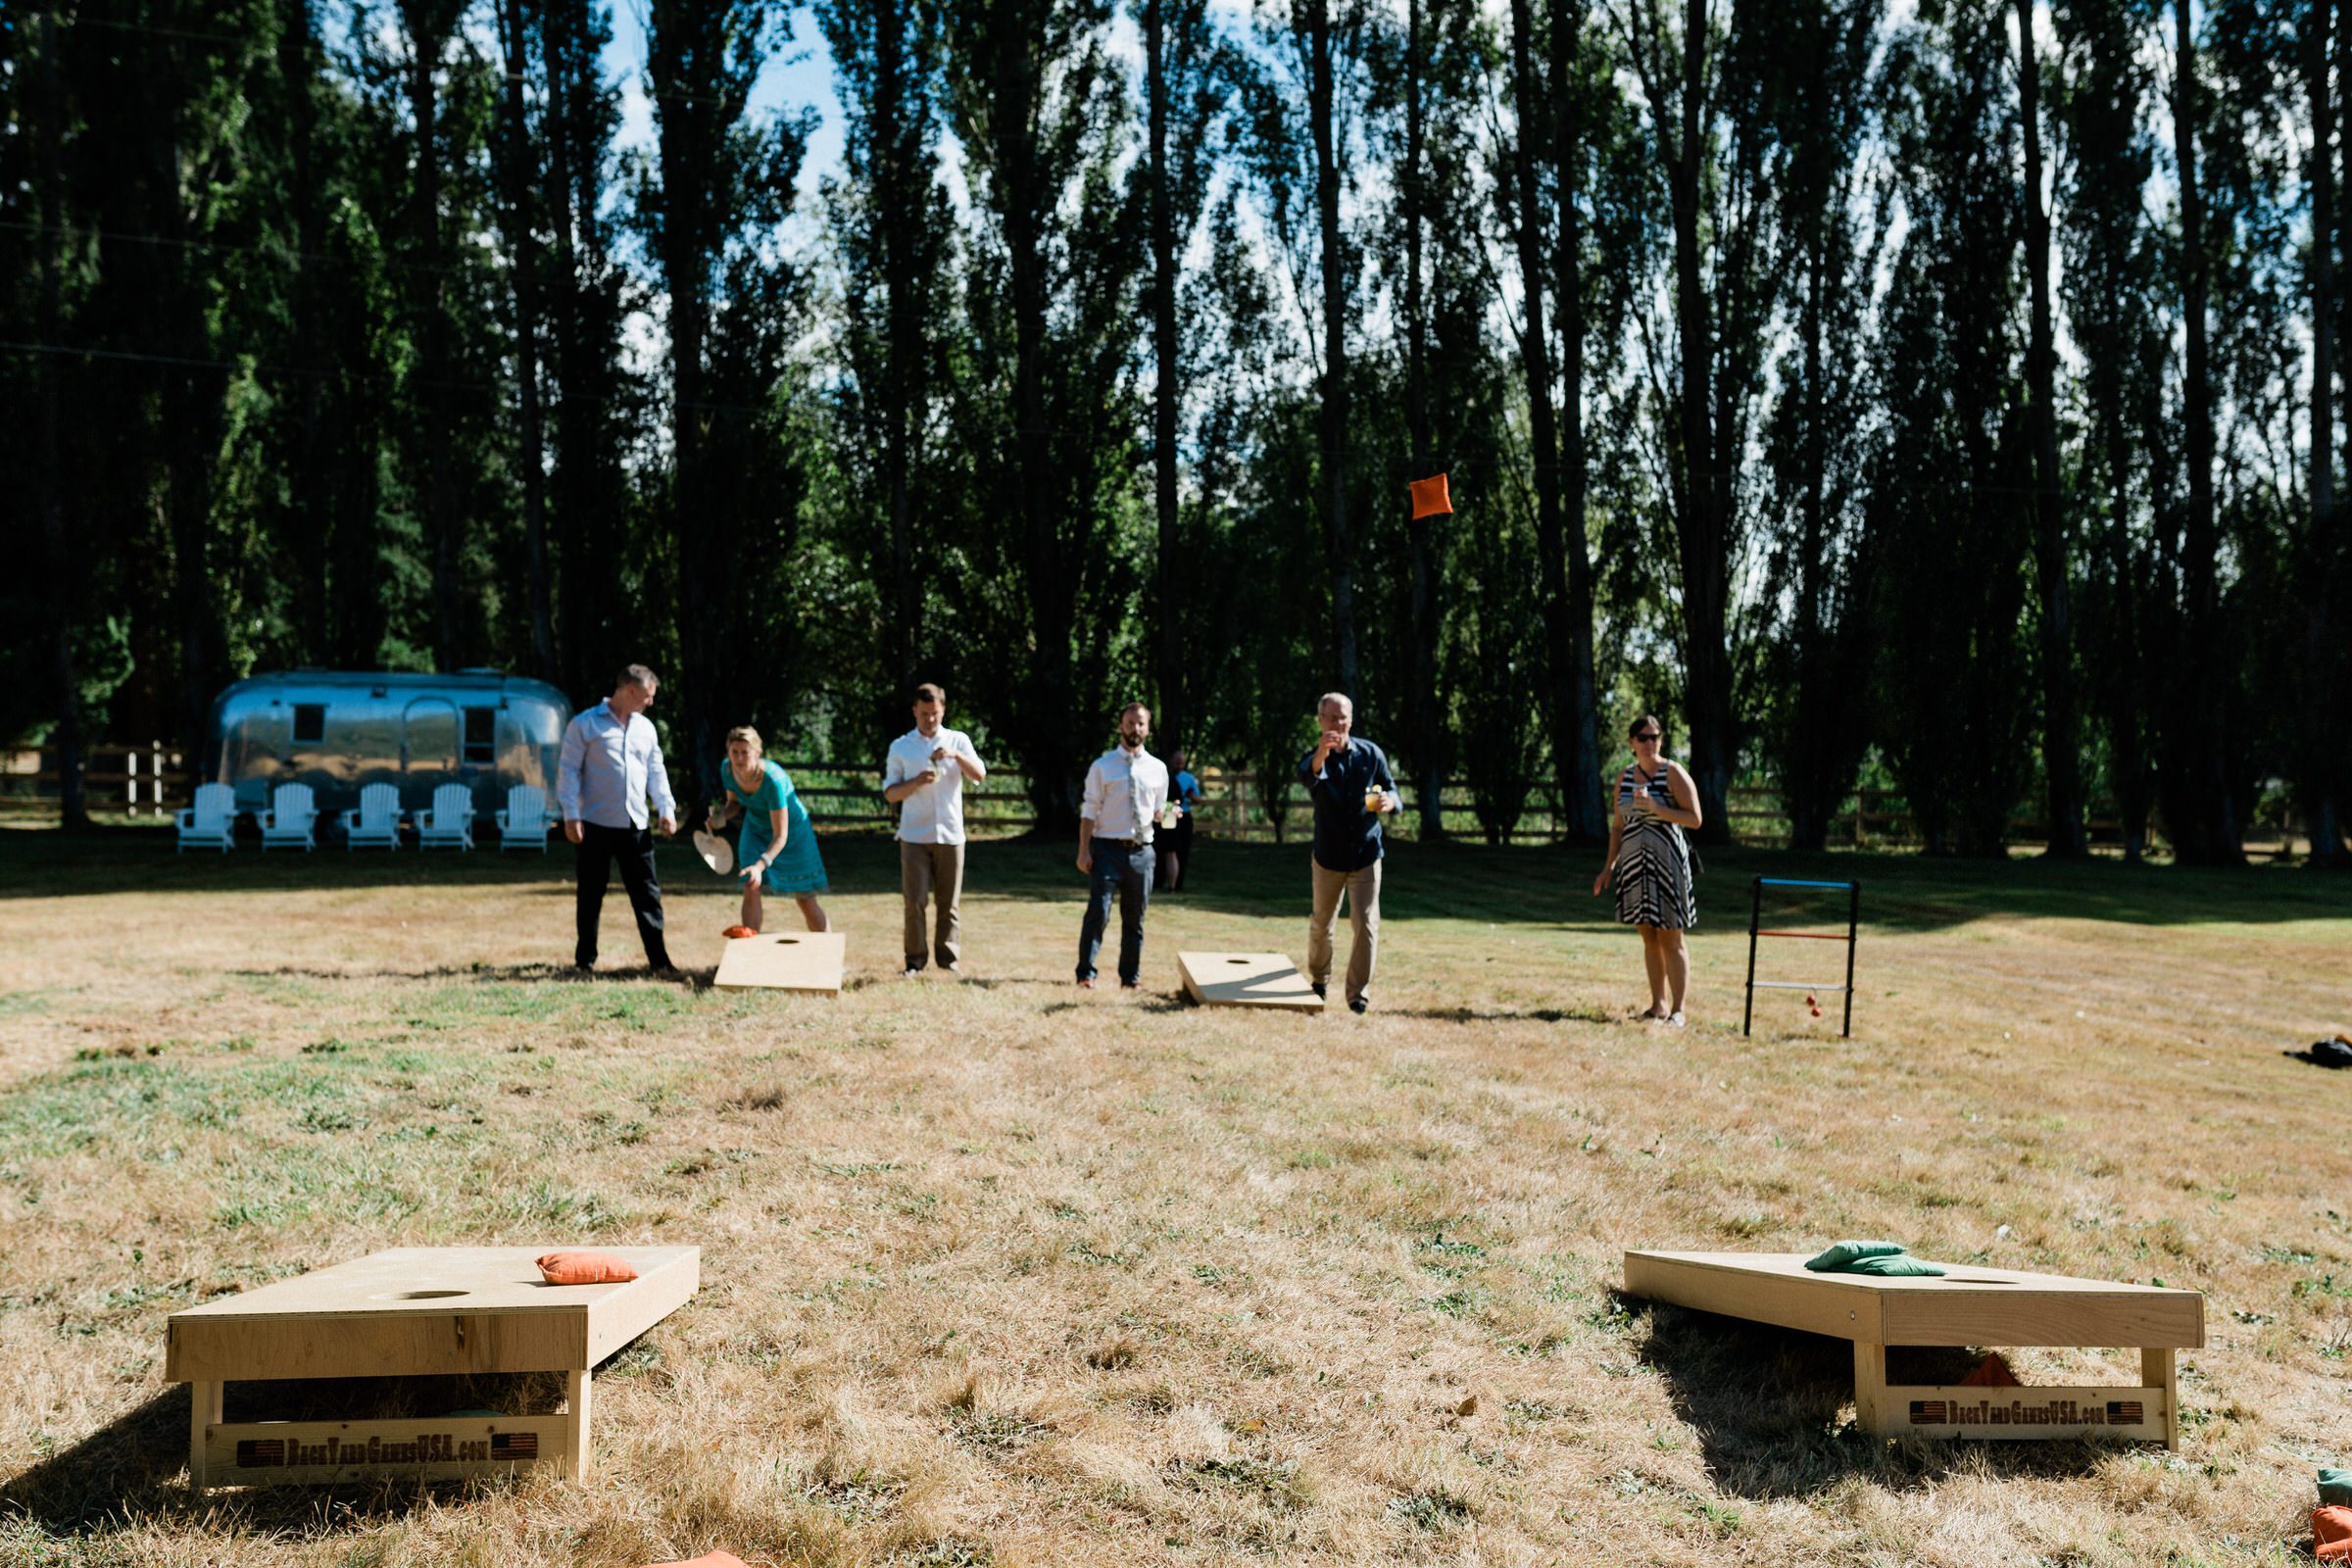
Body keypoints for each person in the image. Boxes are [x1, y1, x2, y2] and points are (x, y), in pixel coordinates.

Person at [558, 663, 678, 975]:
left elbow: (655, 770)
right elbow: (568, 771)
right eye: (648, 696)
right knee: (590, 893)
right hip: (594, 824)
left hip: (636, 826)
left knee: (647, 895)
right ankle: (585, 960)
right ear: (631, 691)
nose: (650, 702)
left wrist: (666, 809)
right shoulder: (585, 724)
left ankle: (659, 961)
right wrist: (571, 815)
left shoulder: (645, 728)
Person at [1592, 713, 1701, 1025]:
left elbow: (1695, 819)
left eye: (1655, 737)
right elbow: (1617, 827)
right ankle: (1658, 1006)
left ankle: (1679, 1010)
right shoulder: (1624, 778)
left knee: (1671, 937)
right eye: (1644, 737)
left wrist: (1657, 808)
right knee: (1649, 936)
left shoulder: (1672, 773)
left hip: (1668, 865)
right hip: (1635, 867)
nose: (1650, 742)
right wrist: (1608, 867)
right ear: (1632, 743)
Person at [1298, 692, 1396, 1014]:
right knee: (1322, 922)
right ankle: (1319, 979)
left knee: (1366, 923)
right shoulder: (1317, 758)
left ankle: (1357, 995)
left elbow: (1391, 788)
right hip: (1328, 856)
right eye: (1331, 717)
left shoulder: (1371, 754)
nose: (1337, 723)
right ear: (1320, 720)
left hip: (1366, 853)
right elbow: (1307, 775)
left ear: (1351, 719)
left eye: (1343, 717)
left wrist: (1389, 802)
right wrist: (1321, 754)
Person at [882, 683, 985, 976]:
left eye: (935, 714)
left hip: (950, 834)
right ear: (915, 710)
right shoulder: (901, 747)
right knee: (914, 901)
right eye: (924, 713)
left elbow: (979, 774)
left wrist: (955, 756)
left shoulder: (958, 740)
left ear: (943, 711)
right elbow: (890, 793)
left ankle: (948, 960)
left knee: (948, 903)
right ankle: (914, 961)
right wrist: (915, 782)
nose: (929, 719)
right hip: (914, 835)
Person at [1075, 702, 1168, 989]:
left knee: (1135, 918)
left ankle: (1130, 977)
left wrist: (1166, 815)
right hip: (1106, 849)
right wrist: (1084, 850)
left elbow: (1158, 809)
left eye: (1140, 723)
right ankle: (1086, 973)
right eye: (1130, 723)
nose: (1135, 729)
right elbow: (1089, 810)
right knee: (1099, 912)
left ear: (1148, 728)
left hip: (1142, 852)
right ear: (1121, 726)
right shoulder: (1102, 766)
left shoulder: (1157, 768)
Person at [709, 725, 829, 934]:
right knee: (750, 886)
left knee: (805, 898)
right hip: (755, 829)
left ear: (757, 752)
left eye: (744, 752)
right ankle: (748, 953)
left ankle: (830, 959)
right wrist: (720, 817)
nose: (738, 758)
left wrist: (760, 865)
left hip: (791, 833)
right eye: (734, 752)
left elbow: (780, 836)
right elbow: (734, 803)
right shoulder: (727, 769)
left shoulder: (773, 780)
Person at [1159, 749, 1203, 892]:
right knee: (1167, 850)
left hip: (1184, 815)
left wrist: (1191, 795)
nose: (1179, 765)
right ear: (1171, 761)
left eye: (1182, 763)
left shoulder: (1189, 778)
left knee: (1181, 851)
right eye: (1177, 762)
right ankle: (1161, 881)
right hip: (1168, 813)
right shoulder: (1164, 776)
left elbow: (1199, 799)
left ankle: (1177, 884)